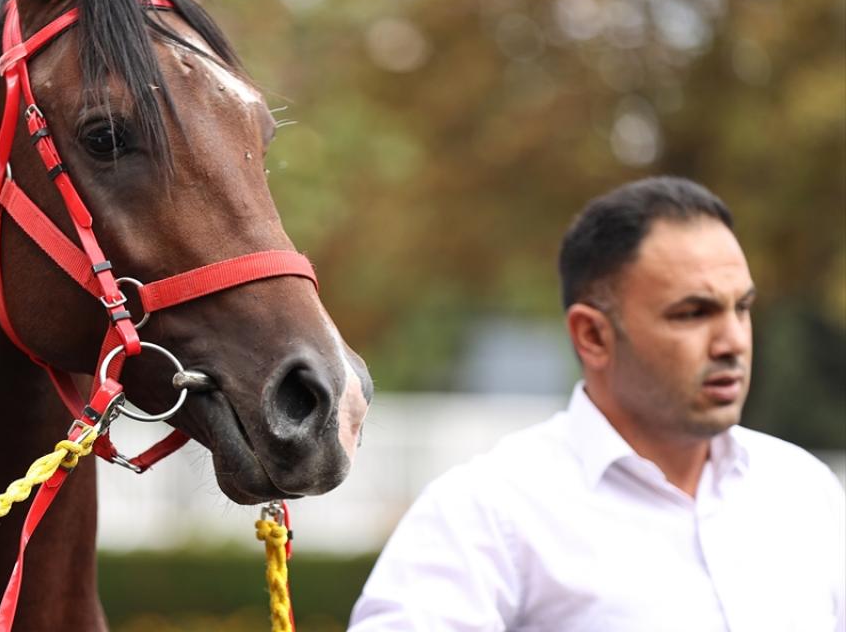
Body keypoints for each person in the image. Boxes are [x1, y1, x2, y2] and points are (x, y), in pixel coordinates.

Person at [348, 176, 845, 631]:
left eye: (742, 307)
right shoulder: (489, 512)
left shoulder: (803, 491)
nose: (733, 341)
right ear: (593, 336)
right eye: (694, 312)